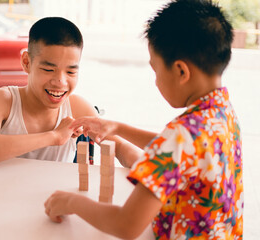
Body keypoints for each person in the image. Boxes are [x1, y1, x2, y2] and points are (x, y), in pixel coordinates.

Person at [44, 1, 243, 239]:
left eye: (156, 70)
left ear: (181, 71)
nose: (156, 81)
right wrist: (118, 127)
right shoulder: (222, 111)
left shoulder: (180, 135)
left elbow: (126, 225)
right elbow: (182, 150)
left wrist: (71, 202)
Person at [0, 17, 141, 168]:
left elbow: (120, 148)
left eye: (71, 72)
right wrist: (54, 136)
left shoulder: (78, 107)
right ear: (27, 62)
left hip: (53, 204)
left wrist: (152, 174)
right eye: (49, 70)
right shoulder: (3, 101)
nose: (60, 82)